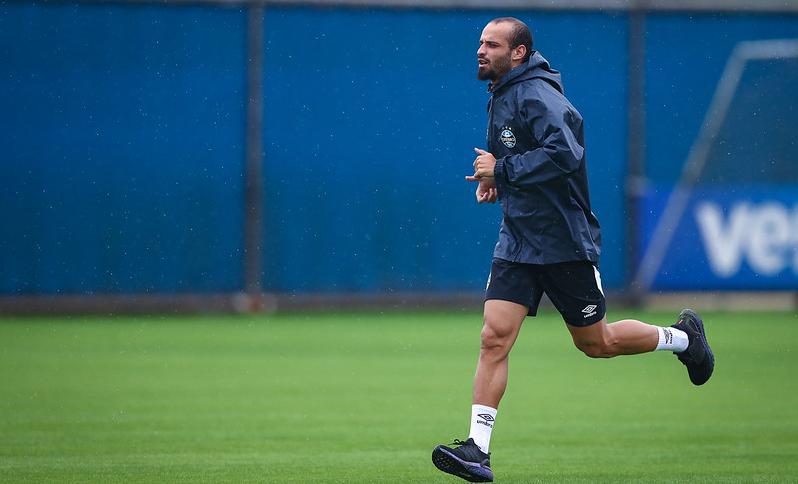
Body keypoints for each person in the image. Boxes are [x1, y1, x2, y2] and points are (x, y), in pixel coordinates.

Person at [431, 17, 714, 483]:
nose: (480, 51)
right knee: (493, 337)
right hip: (519, 240)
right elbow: (528, 164)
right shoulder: (504, 92)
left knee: (596, 344)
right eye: (480, 42)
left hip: (563, 243)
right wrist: (499, 185)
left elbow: (566, 154)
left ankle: (683, 338)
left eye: (492, 44)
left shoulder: (537, 95)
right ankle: (477, 452)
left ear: (518, 53)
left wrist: (501, 171)